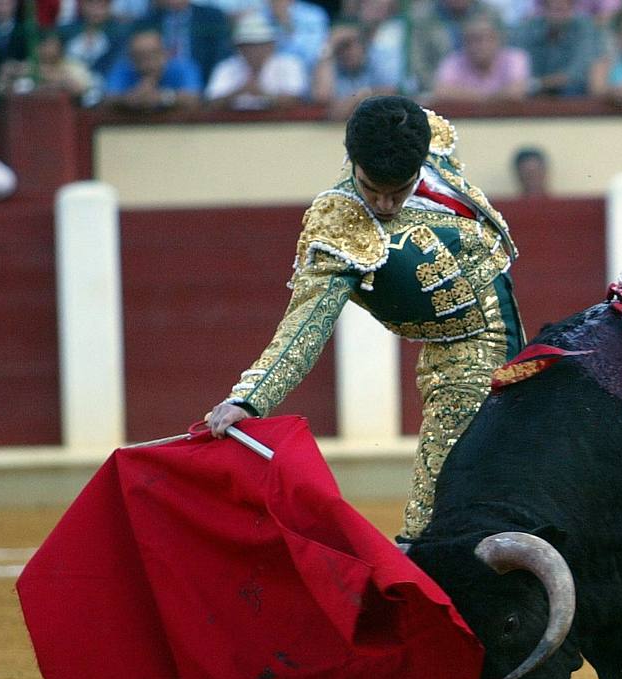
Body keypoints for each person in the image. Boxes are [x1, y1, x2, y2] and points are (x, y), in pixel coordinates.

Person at [204, 95, 525, 548]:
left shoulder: (426, 142)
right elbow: (306, 324)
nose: (386, 203)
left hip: (510, 335)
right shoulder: (339, 225)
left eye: (399, 189)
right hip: (461, 357)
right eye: (373, 188)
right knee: (438, 505)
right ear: (353, 162)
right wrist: (250, 399)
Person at [204, 12, 308, 108]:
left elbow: (297, 99)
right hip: (236, 125)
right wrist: (240, 91)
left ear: (271, 45)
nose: (255, 51)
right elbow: (210, 103)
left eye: (261, 45)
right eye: (249, 45)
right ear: (239, 48)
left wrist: (263, 94)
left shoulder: (289, 64)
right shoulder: (226, 67)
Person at [430, 11, 529, 101]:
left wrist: (470, 96)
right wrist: (492, 96)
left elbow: (516, 92)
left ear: (499, 39)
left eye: (486, 38)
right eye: (473, 39)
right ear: (464, 42)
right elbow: (441, 92)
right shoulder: (453, 61)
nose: (480, 45)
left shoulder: (515, 58)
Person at [513, 0, 603, 96]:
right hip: (536, 91)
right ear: (543, 9)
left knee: (573, 88)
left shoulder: (584, 29)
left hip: (571, 91)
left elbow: (576, 74)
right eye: (552, 8)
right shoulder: (530, 28)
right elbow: (519, 68)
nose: (557, 15)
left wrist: (537, 83)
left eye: (561, 9)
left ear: (572, 8)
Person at [309, 21, 397, 118]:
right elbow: (323, 98)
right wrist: (328, 47)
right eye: (339, 47)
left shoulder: (378, 58)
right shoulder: (333, 67)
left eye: (348, 45)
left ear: (363, 45)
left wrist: (358, 97)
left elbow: (393, 91)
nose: (345, 52)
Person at [103, 25, 202, 110]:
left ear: (165, 53)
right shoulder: (123, 69)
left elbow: (195, 98)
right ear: (131, 57)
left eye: (153, 54)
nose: (147, 62)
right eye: (139, 56)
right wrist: (129, 99)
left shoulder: (183, 67)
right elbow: (107, 100)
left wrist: (162, 97)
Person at [135, 0, 233, 85]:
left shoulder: (211, 17)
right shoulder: (147, 21)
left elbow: (222, 56)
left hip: (202, 81)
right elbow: (136, 55)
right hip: (156, 79)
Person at [58, 0, 131, 81]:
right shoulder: (65, 31)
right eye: (91, 4)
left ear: (110, 6)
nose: (96, 11)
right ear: (82, 5)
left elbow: (115, 65)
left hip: (104, 81)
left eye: (101, 6)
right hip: (65, 79)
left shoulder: (119, 34)